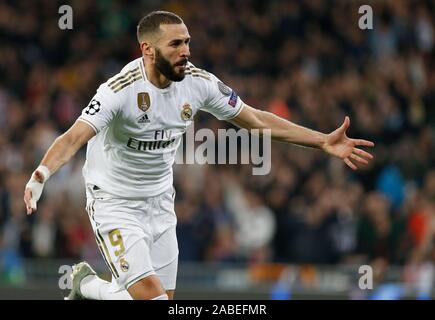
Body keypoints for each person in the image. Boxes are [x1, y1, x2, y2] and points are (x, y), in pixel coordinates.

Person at [23, 11, 374, 300]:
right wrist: (40, 175)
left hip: (160, 202)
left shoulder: (199, 84)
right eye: (175, 44)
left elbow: (254, 119)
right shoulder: (119, 91)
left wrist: (322, 141)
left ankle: (86, 287)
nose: (186, 50)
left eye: (187, 41)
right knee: (153, 299)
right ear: (147, 49)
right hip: (114, 203)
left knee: (163, 300)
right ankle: (88, 287)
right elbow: (73, 138)